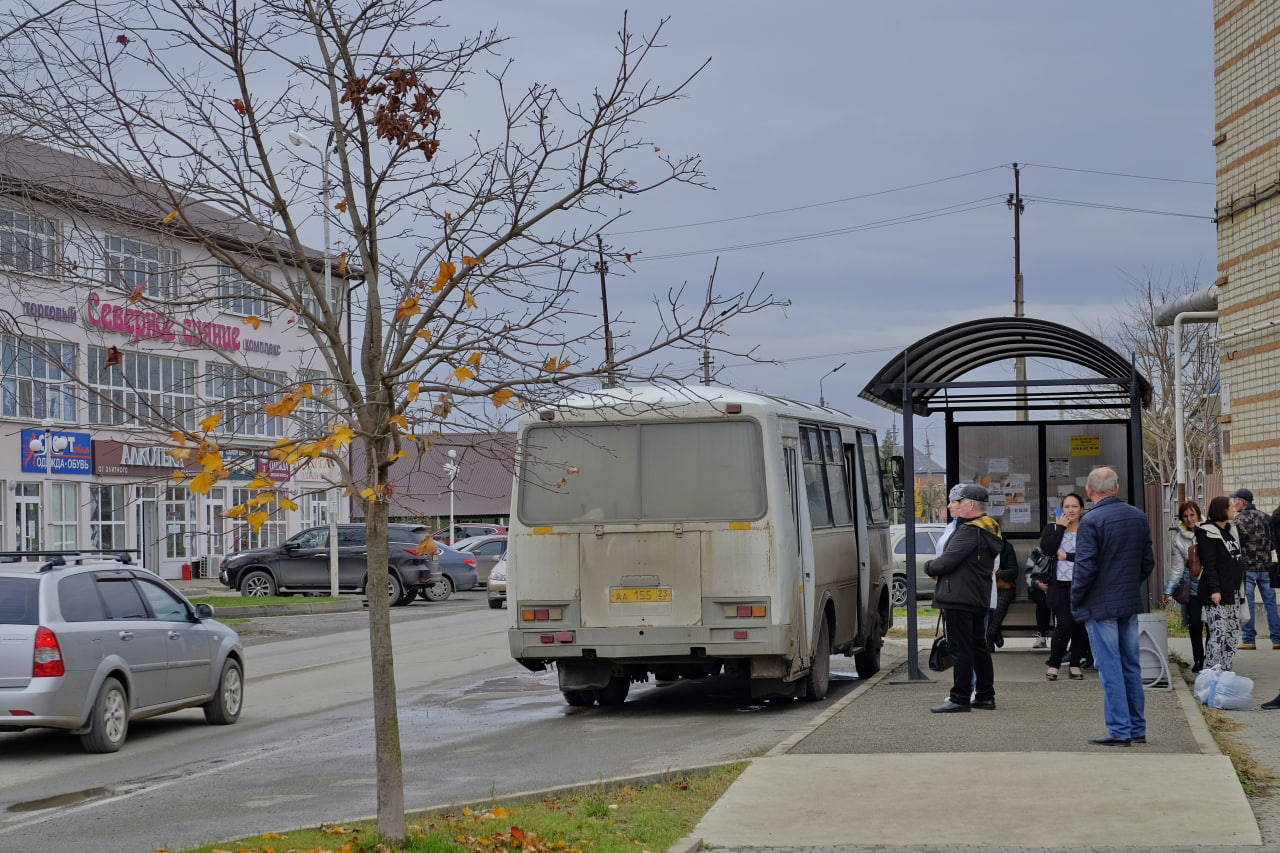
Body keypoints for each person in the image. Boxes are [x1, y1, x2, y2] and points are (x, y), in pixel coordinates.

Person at [1071, 467, 1154, 747]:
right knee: (1131, 664)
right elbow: (1147, 563)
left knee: (1110, 668)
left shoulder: (1090, 521)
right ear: (1117, 488)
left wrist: (1076, 599)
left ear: (1090, 492)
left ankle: (1119, 729)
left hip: (1099, 604)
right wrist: (1129, 583)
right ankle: (1137, 727)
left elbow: (1085, 568)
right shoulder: (1137, 516)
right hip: (1129, 601)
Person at [924, 483, 1003, 713]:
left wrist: (929, 567)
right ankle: (985, 695)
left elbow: (947, 560)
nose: (951, 505)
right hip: (977, 595)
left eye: (955, 502)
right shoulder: (989, 528)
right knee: (978, 646)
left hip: (958, 596)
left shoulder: (970, 530)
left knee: (962, 648)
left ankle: (960, 697)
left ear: (969, 504)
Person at [1041, 493, 1089, 681]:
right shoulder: (1052, 528)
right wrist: (1061, 527)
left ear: (1081, 510)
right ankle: (1054, 664)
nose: (1070, 510)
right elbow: (1047, 549)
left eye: (1074, 506)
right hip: (1060, 585)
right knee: (1064, 625)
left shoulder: (1087, 530)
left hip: (1083, 584)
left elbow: (1091, 557)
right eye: (1066, 506)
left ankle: (1075, 664)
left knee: (1080, 625)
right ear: (1062, 509)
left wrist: (1067, 556)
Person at [1197, 496, 1245, 672]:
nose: (1233, 509)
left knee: (1232, 634)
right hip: (1216, 593)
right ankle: (1209, 674)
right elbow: (1209, 565)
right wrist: (1215, 590)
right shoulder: (1207, 532)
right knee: (1218, 634)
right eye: (1230, 507)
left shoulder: (1230, 530)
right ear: (1221, 510)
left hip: (1232, 591)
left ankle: (1226, 673)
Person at [1230, 488, 1277, 650]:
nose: (1233, 503)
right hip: (1266, 566)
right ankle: (1277, 639)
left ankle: (1249, 640)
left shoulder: (1238, 521)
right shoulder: (1266, 518)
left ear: (1242, 501)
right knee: (1271, 603)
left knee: (1247, 603)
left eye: (1234, 500)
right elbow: (1274, 541)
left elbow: (1234, 545)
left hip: (1247, 568)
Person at [1163, 501, 1206, 672]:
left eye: (1192, 515)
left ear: (1198, 514)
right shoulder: (1179, 538)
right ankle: (1199, 659)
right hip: (1193, 587)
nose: (1189, 519)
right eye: (1185, 516)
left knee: (1212, 624)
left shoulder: (1209, 530)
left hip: (1211, 586)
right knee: (1194, 624)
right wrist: (1168, 590)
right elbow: (1177, 568)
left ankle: (1211, 658)